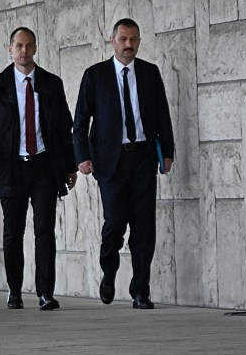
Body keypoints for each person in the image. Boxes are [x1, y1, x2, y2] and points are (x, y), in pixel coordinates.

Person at [73, 18, 175, 310]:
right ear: (112, 41)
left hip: (143, 157)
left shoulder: (149, 73)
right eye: (123, 39)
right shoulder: (95, 76)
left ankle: (140, 290)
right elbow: (80, 122)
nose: (129, 45)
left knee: (144, 227)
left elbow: (163, 116)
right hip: (110, 161)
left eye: (134, 40)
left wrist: (166, 153)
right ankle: (109, 271)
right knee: (115, 223)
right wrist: (82, 157)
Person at [0, 26, 77, 311]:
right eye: (18, 46)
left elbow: (62, 128)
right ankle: (15, 291)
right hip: (11, 167)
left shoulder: (51, 84)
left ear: (35, 49)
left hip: (44, 165)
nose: (24, 51)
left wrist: (70, 166)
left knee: (45, 230)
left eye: (29, 45)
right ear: (10, 50)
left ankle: (46, 293)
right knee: (13, 232)